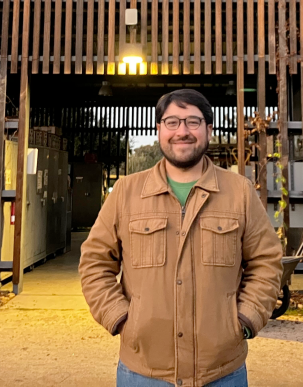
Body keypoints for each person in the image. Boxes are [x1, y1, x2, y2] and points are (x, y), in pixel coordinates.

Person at [79, 89, 283, 387]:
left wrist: (245, 319)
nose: (182, 132)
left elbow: (266, 262)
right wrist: (121, 318)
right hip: (143, 372)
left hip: (222, 371)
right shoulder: (126, 193)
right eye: (172, 122)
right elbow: (95, 263)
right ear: (159, 128)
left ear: (208, 129)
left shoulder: (240, 193)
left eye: (193, 121)